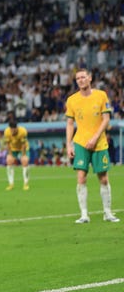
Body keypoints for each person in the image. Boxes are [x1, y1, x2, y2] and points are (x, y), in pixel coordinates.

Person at [65, 69, 119, 223]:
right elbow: (69, 124)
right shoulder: (72, 100)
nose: (80, 80)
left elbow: (106, 119)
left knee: (103, 178)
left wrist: (95, 138)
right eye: (77, 78)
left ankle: (107, 213)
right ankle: (84, 214)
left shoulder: (101, 95)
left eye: (83, 77)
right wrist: (69, 145)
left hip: (99, 143)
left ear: (90, 78)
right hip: (81, 142)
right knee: (81, 177)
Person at [3, 120, 30, 191]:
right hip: (13, 149)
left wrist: (23, 155)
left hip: (23, 148)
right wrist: (10, 155)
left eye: (13, 130)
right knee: (9, 161)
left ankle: (26, 184)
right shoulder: (7, 132)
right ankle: (11, 184)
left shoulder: (23, 131)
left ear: (16, 128)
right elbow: (8, 144)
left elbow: (23, 144)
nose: (12, 131)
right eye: (11, 129)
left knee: (25, 161)